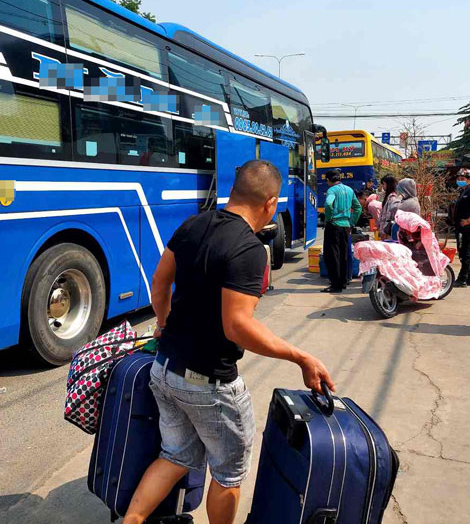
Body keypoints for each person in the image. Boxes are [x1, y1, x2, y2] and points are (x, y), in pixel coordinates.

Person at [124, 160, 335, 524]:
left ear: (233, 191)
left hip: (165, 369)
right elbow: (237, 325)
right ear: (271, 203)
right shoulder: (249, 249)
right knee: (228, 475)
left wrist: (162, 324)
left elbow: (159, 282)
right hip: (209, 385)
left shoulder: (193, 224)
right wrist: (300, 356)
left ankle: (133, 520)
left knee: (175, 455)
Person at [320, 169, 361, 293]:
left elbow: (328, 204)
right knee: (343, 255)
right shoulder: (349, 190)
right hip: (345, 226)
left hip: (334, 225)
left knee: (332, 255)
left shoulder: (331, 190)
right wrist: (352, 223)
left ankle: (335, 285)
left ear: (328, 180)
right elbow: (358, 207)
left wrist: (329, 217)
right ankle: (343, 282)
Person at [378, 174, 401, 239]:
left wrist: (385, 231)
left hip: (388, 232)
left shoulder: (392, 198)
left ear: (389, 185)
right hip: (385, 231)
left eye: (384, 184)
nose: (383, 186)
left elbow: (389, 216)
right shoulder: (388, 197)